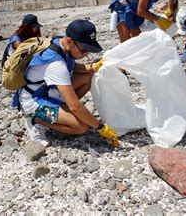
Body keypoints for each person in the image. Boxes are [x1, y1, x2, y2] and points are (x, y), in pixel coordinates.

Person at [17, 19, 118, 147]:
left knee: (88, 77)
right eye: (83, 50)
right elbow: (75, 106)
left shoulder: (60, 43)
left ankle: (59, 112)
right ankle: (36, 120)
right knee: (81, 126)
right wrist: (100, 127)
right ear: (70, 41)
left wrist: (92, 67)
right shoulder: (56, 65)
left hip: (48, 89)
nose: (86, 55)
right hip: (34, 99)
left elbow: (72, 67)